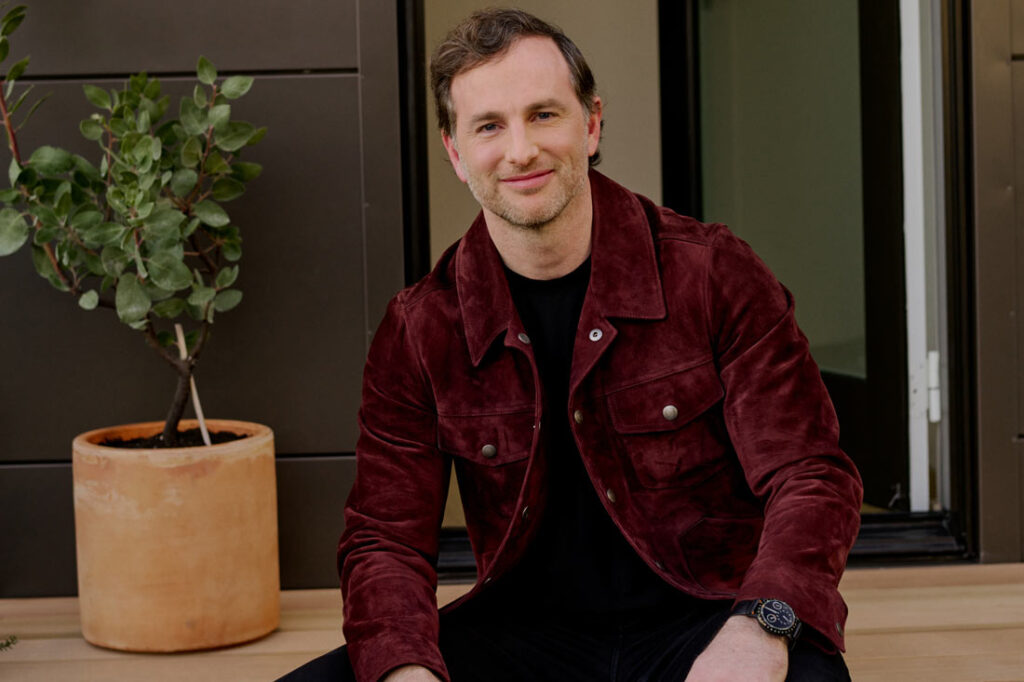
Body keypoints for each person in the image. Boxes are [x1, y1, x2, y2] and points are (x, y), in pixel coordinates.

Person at [281, 8, 862, 682]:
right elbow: (384, 541)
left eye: (544, 115)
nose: (521, 149)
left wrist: (760, 625)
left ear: (590, 124)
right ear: (455, 153)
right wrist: (407, 672)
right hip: (520, 636)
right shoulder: (419, 328)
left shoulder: (714, 273)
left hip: (707, 617)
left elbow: (811, 474)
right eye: (489, 126)